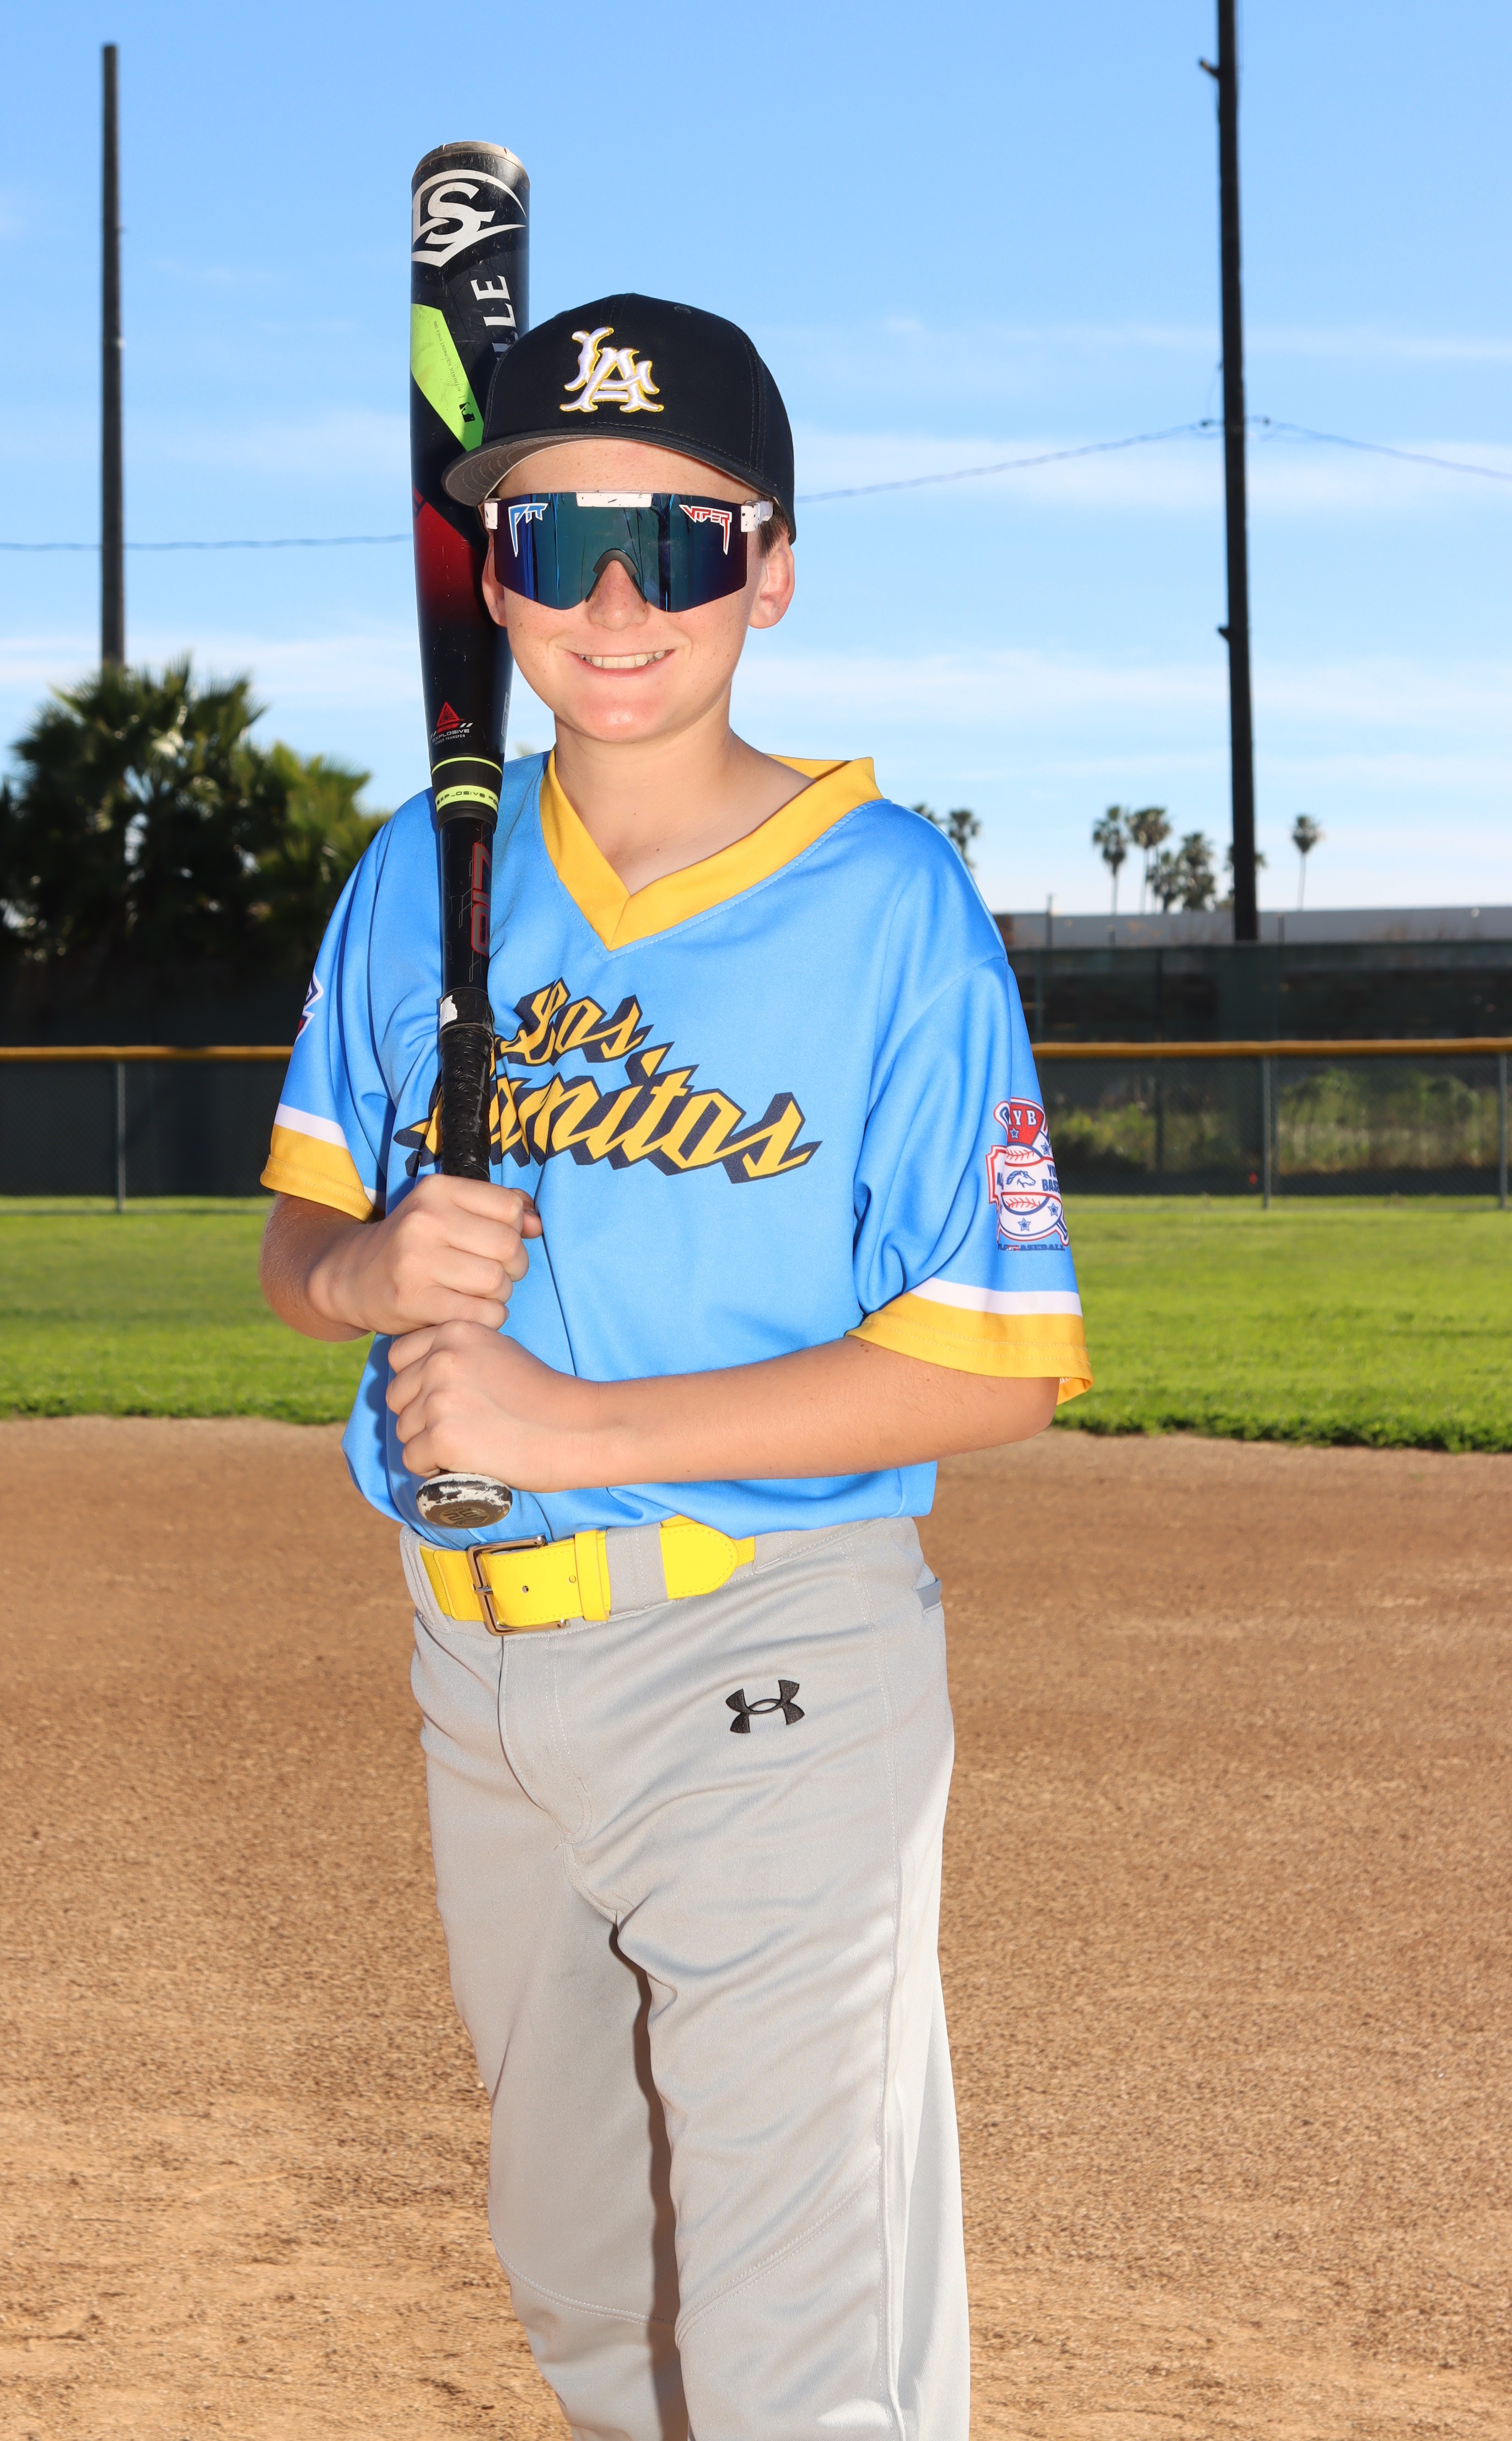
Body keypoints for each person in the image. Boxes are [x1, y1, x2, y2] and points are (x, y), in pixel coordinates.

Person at [259, 293, 1091, 2441]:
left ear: (773, 570)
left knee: (792, 2340)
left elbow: (994, 1361)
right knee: (592, 2292)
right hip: (475, 1672)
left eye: (682, 541)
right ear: (492, 579)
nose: (616, 602)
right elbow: (298, 1248)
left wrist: (570, 1428)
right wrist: (367, 1274)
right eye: (556, 542)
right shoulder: (416, 879)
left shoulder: (887, 902)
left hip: (769, 1652)